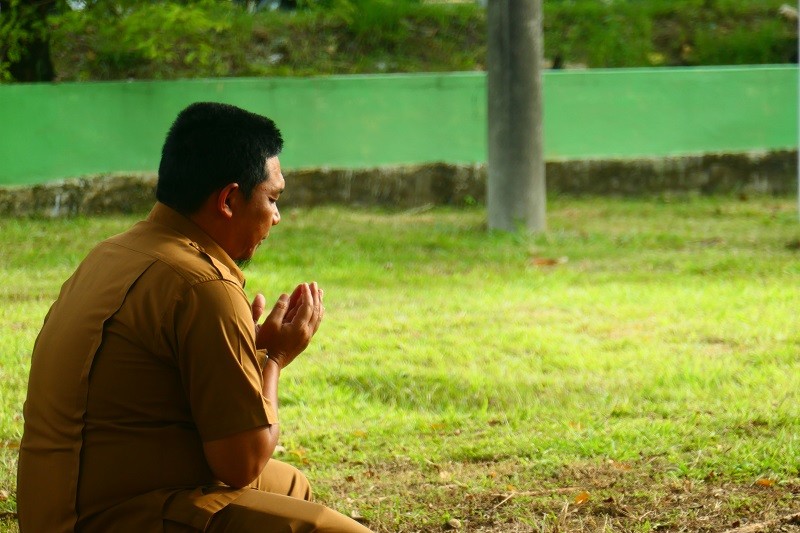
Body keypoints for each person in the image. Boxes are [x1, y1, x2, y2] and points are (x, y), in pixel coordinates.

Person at [17, 102, 372, 533]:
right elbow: (243, 461)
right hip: (115, 516)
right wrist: (274, 357)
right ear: (227, 199)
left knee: (289, 485)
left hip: (55, 506)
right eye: (273, 199)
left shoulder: (113, 252)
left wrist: (241, 346)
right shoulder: (203, 286)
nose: (276, 217)